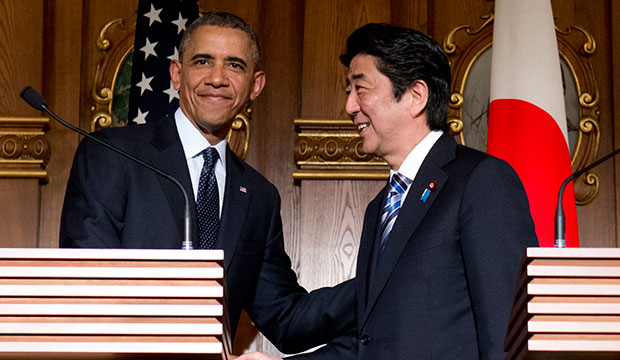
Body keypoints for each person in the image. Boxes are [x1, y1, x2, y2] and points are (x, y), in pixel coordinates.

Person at [59, 12, 354, 354]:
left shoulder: (259, 196)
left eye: (234, 65)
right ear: (176, 74)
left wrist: (378, 284)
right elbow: (86, 287)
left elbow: (286, 318)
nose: (217, 79)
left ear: (255, 85)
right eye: (202, 62)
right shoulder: (112, 154)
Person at [239, 23, 538, 360]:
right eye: (347, 91)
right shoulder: (381, 207)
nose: (350, 106)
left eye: (361, 88)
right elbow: (371, 342)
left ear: (415, 96)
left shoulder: (481, 181)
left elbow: (508, 332)